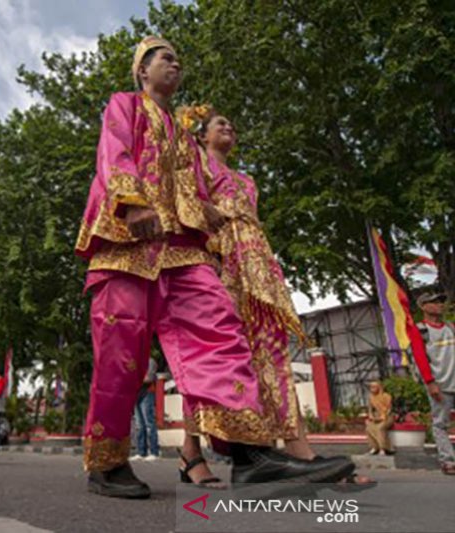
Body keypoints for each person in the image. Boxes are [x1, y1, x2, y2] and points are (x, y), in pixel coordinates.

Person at [74, 36, 352, 499]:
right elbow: (114, 153)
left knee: (221, 331)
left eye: (177, 58)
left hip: (184, 251)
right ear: (142, 71)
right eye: (165, 57)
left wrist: (212, 216)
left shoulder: (186, 139)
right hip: (128, 243)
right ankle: (107, 461)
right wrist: (131, 203)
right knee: (122, 354)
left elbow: (198, 196)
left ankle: (249, 455)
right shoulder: (124, 105)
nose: (174, 63)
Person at [175, 106, 365, 487]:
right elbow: (186, 207)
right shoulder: (194, 164)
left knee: (271, 353)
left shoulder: (247, 181)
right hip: (217, 261)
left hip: (257, 267)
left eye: (231, 123)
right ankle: (191, 452)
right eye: (219, 124)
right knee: (215, 359)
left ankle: (302, 453)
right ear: (202, 136)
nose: (229, 127)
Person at [415, 292, 455, 474]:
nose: (440, 305)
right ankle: (448, 461)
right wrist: (430, 383)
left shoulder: (451, 327)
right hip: (440, 384)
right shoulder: (420, 331)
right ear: (424, 306)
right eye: (434, 302)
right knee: (440, 424)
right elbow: (420, 359)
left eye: (441, 302)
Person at [131, 357, 160, 461]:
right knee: (139, 425)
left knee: (149, 423)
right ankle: (141, 452)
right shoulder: (133, 361)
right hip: (135, 394)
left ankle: (154, 451)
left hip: (147, 393)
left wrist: (134, 379)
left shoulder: (149, 361)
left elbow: (149, 378)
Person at [365, 381, 395, 455]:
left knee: (380, 428)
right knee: (369, 428)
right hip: (376, 416)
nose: (372, 389)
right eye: (371, 387)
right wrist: (371, 416)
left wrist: (382, 417)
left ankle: (383, 448)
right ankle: (374, 447)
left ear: (379, 387)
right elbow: (370, 409)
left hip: (387, 417)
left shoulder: (386, 396)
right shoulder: (371, 397)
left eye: (374, 387)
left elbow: (389, 409)